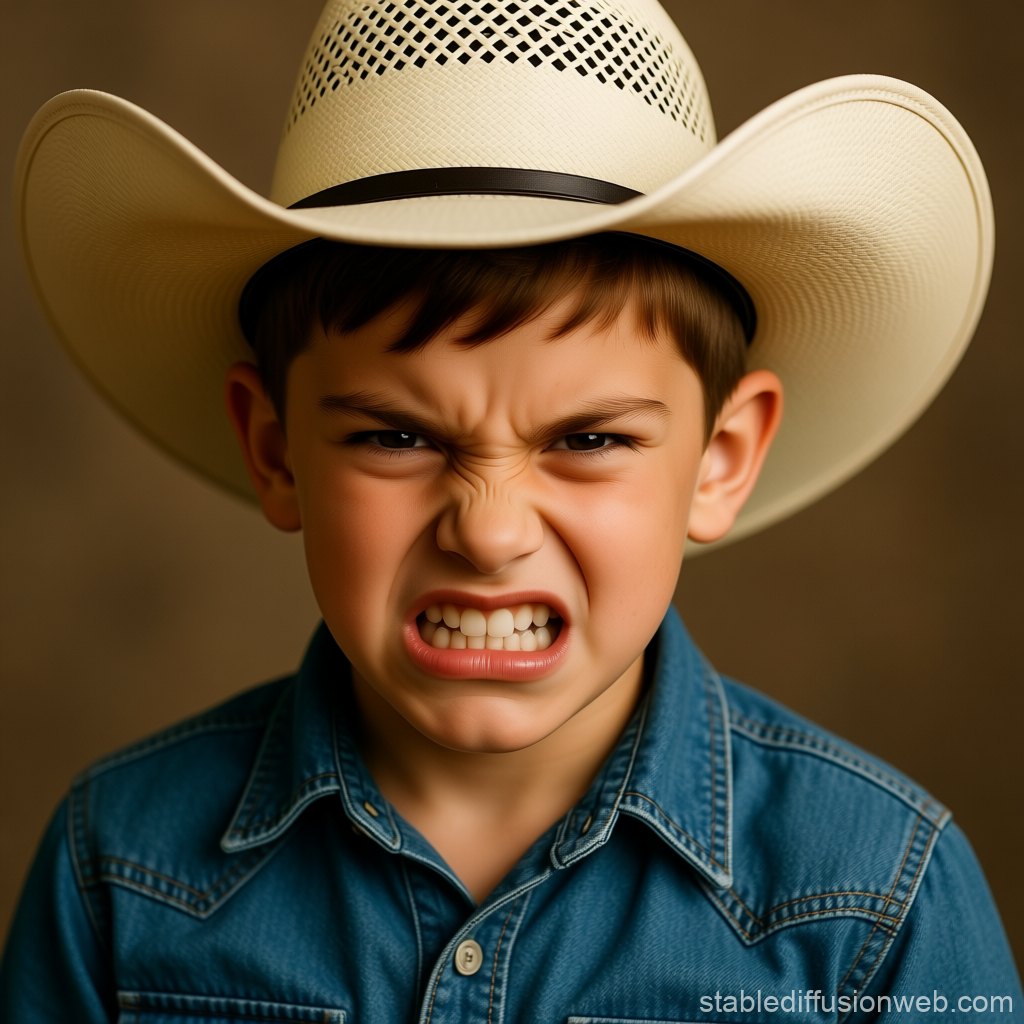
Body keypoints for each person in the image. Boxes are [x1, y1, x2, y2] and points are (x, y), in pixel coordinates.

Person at [2, 0, 1020, 1018]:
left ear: (720, 458)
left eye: (587, 440)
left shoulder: (876, 907)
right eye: (397, 436)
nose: (488, 532)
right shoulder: (117, 872)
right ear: (274, 449)